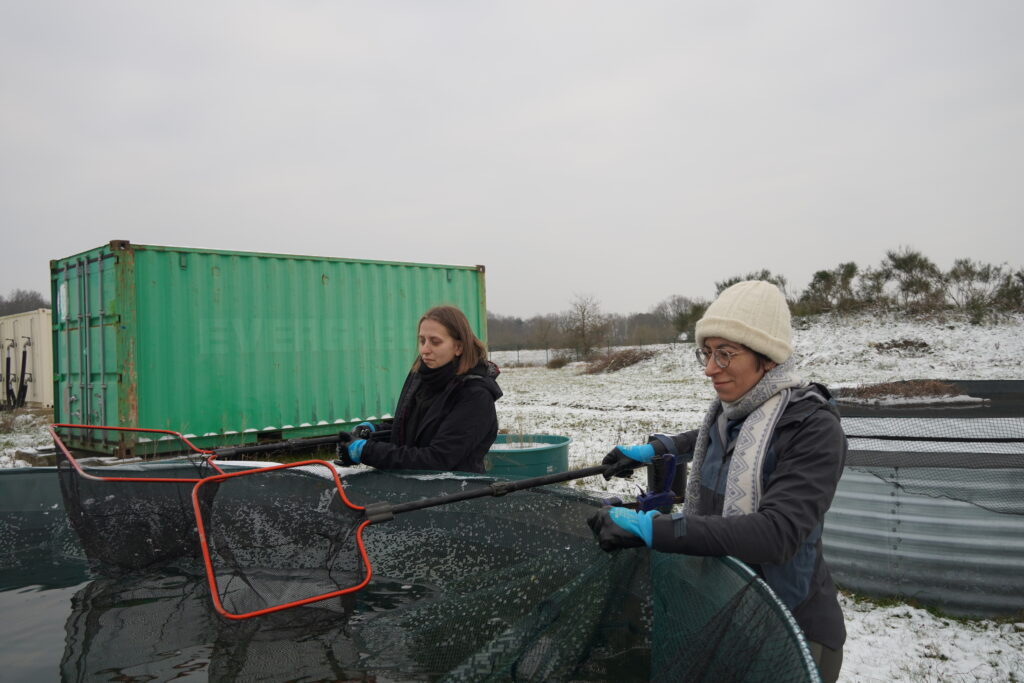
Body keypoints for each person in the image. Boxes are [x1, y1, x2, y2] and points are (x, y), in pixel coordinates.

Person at [589, 280, 847, 683]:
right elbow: (707, 440)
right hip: (722, 611)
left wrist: (655, 530)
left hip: (790, 629)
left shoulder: (813, 428)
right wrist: (655, 449)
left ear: (770, 358)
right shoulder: (730, 417)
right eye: (706, 353)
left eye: (725, 354)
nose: (710, 369)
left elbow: (776, 535)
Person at [335, 305, 502, 473]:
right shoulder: (423, 378)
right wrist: (373, 432)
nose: (424, 350)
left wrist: (367, 451)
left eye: (435, 342)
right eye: (422, 340)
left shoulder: (475, 396)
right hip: (411, 489)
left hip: (455, 492)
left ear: (458, 347)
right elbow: (414, 431)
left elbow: (437, 459)